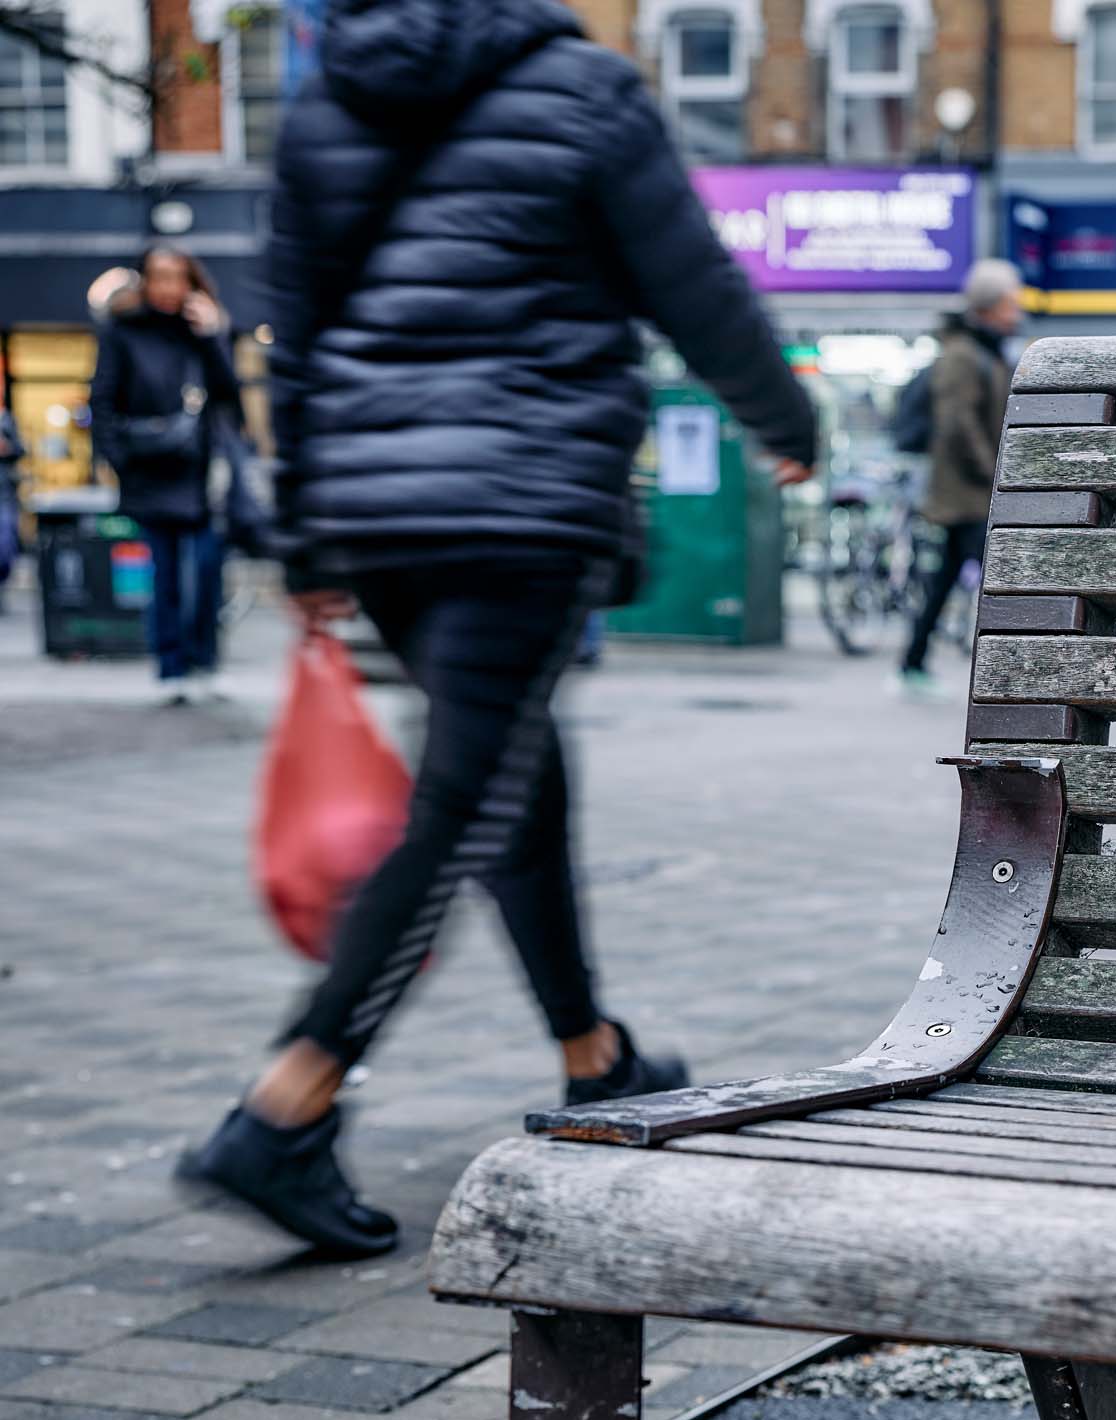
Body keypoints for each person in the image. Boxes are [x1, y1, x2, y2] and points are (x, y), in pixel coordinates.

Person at [176, 0, 817, 1259]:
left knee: (509, 765)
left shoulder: (331, 95)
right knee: (469, 796)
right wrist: (784, 418)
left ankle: (593, 1052)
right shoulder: (584, 87)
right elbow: (688, 279)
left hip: (378, 509)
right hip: (525, 497)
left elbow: (294, 332)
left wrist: (305, 536)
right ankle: (286, 1104)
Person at [89, 246, 245, 702]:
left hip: (203, 472)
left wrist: (213, 336)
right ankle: (171, 666)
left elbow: (229, 393)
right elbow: (102, 402)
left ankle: (206, 662)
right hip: (150, 469)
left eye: (178, 276)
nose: (168, 287)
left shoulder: (202, 331)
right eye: (159, 276)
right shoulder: (122, 331)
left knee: (208, 571)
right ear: (144, 281)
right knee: (165, 574)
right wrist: (120, 461)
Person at [898, 259, 1022, 693]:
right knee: (1003, 582)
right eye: (1011, 304)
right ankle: (1014, 671)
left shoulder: (986, 351)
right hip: (966, 494)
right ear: (990, 306)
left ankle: (913, 662)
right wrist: (995, 472)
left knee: (947, 580)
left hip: (971, 493)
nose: (1018, 312)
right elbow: (958, 424)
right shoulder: (962, 355)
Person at [0, 396, 21, 617]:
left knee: (5, 545)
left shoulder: (7, 421)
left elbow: (21, 449)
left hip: (4, 494)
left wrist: (8, 448)